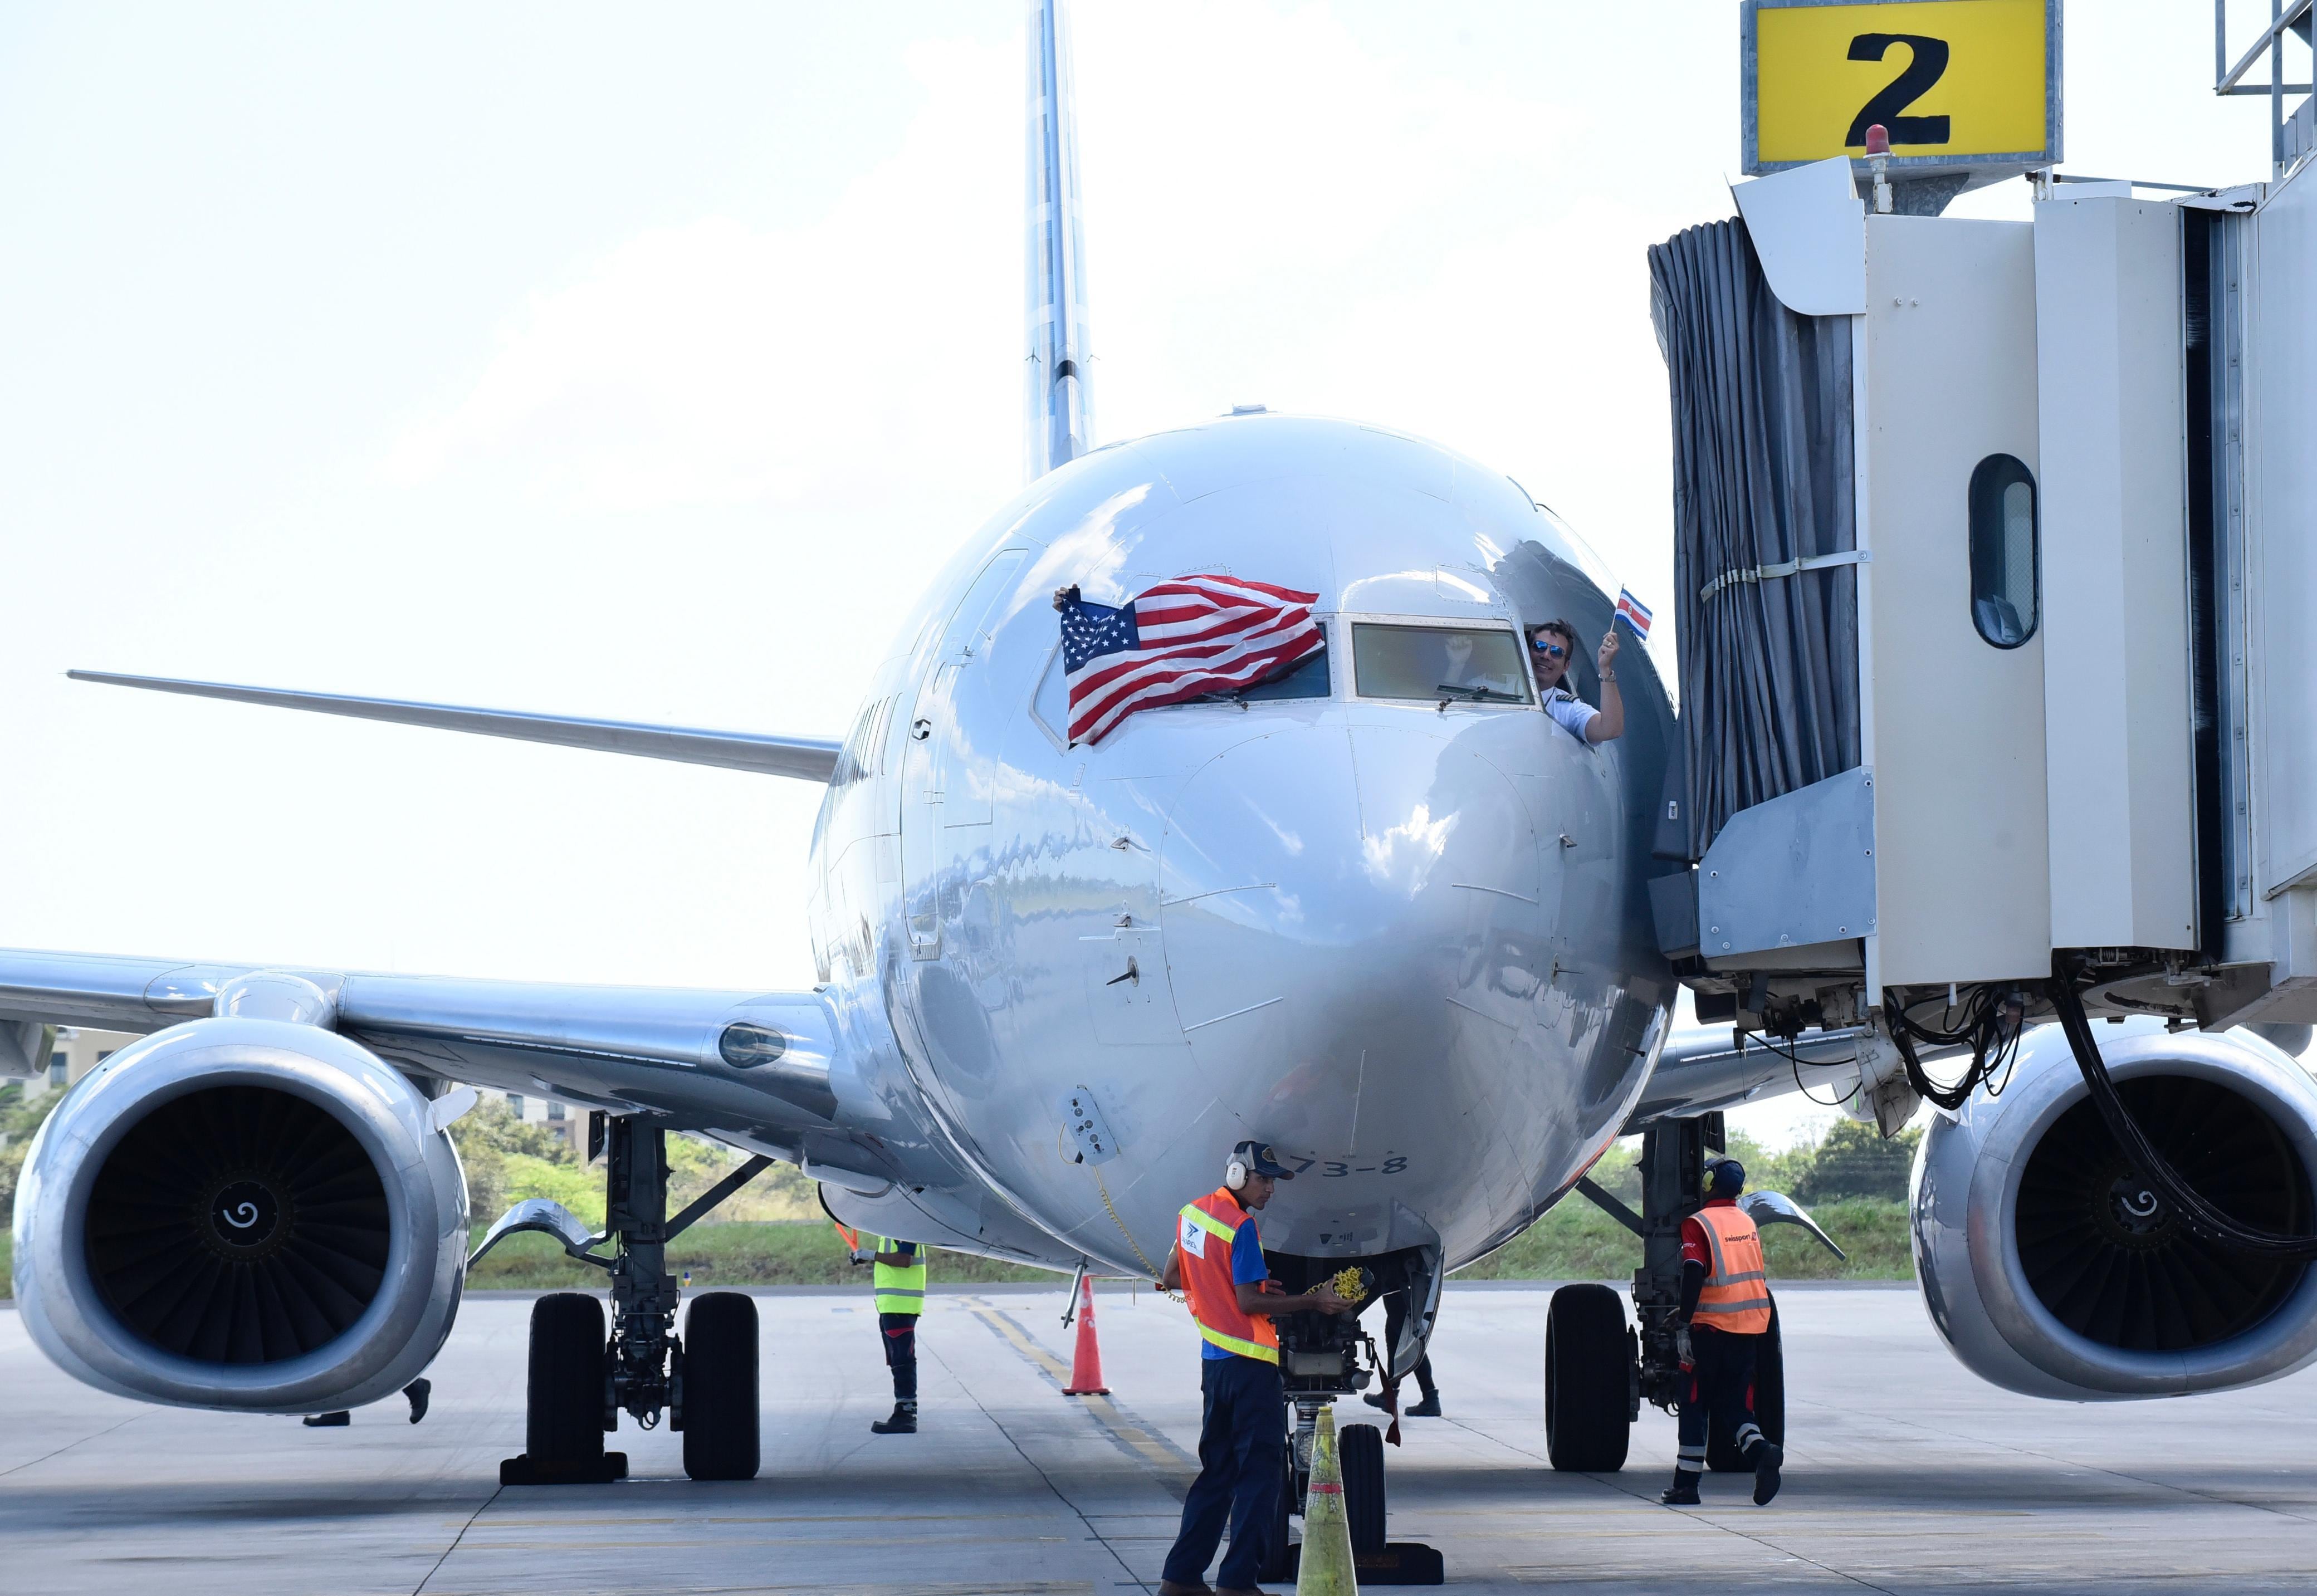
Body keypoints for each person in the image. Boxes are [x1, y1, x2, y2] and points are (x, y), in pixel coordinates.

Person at [1157, 1142, 1354, 1596]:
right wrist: (1314, 1300)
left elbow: (1173, 1277)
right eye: (1263, 1179)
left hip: (1215, 1365)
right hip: (1251, 1366)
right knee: (1261, 1478)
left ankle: (1181, 1578)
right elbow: (1248, 1304)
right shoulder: (1242, 1226)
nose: (1270, 1190)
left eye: (1272, 1181)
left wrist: (1232, 1282)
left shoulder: (1193, 1215)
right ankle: (1238, 1582)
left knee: (1217, 1473)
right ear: (1236, 1176)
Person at [1661, 1156, 1783, 1507]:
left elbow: (1697, 1271)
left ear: (1708, 1184)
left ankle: (1686, 1486)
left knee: (1695, 1404)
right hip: (1748, 1329)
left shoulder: (1698, 1223)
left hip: (1710, 1331)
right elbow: (1731, 1277)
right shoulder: (1746, 1222)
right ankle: (1762, 1452)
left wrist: (1685, 1324)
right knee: (1735, 1405)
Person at [852, 1231, 926, 1434]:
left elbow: (904, 1260)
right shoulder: (892, 1228)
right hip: (892, 1305)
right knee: (898, 1360)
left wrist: (871, 1255)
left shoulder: (901, 1226)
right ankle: (904, 1410)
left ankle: (906, 1414)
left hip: (900, 1306)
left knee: (903, 1360)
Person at [1527, 619, 1624, 743]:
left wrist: (1605, 669)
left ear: (1566, 667)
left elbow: (1610, 730)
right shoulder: (1497, 689)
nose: (1546, 655)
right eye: (1540, 646)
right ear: (1527, 651)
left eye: (1556, 652)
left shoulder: (1568, 709)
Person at [1361, 1291, 1441, 1417]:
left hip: (1396, 1280)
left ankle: (1430, 1397)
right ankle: (1390, 1396)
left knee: (1410, 1341)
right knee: (1395, 1337)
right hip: (1399, 1281)